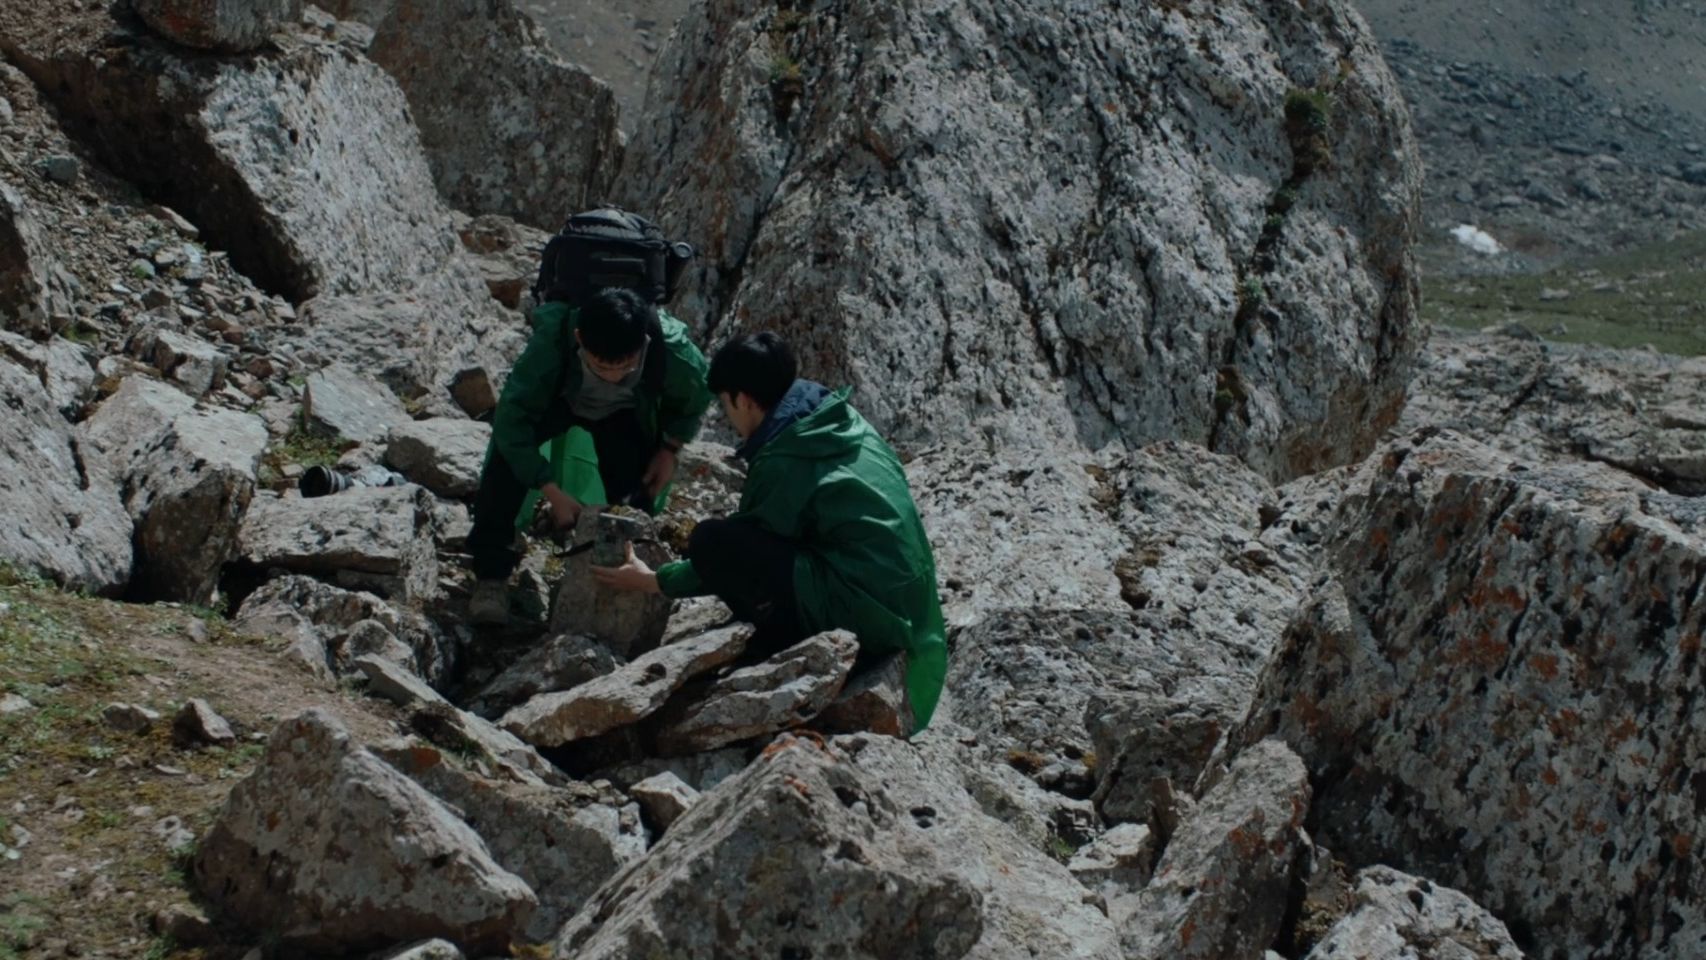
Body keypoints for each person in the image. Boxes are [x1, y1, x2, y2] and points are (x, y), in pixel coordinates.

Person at [593, 332, 947, 731]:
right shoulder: (842, 422)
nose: (728, 416)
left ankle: (780, 644)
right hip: (911, 612)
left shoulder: (786, 456)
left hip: (869, 616)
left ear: (743, 399)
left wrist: (656, 581)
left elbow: (742, 547)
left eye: (726, 404)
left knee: (711, 540)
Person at [467, 286, 712, 624]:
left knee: (633, 496)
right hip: (561, 401)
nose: (612, 376)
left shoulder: (673, 352)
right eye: (599, 366)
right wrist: (549, 488)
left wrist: (669, 450)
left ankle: (623, 575)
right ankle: (491, 576)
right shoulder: (550, 347)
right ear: (579, 338)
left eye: (625, 367)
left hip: (625, 416)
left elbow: (695, 398)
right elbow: (513, 425)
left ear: (643, 343)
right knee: (504, 471)